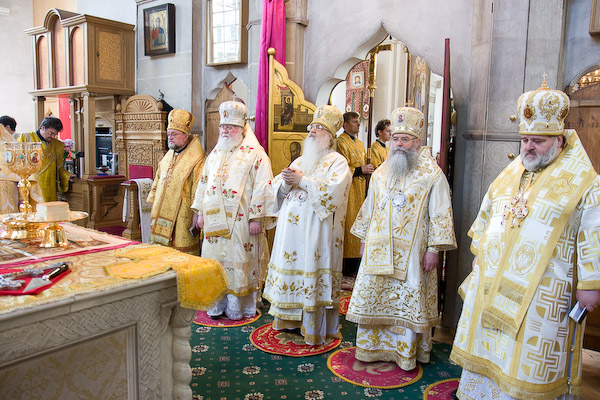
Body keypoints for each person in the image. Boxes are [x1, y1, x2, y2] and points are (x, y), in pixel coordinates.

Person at [450, 82, 600, 399]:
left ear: (559, 140)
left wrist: (590, 283)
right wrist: (479, 252)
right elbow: (489, 210)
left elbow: (594, 230)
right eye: (525, 139)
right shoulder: (513, 171)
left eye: (538, 141)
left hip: (545, 287)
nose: (529, 147)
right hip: (493, 279)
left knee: (526, 354)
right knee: (490, 346)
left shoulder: (585, 181)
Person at [346, 106, 457, 370]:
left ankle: (405, 353)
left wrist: (434, 250)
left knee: (409, 300)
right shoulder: (381, 172)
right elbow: (370, 207)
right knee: (375, 297)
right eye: (395, 138)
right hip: (377, 250)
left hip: (413, 255)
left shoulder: (432, 175)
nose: (398, 144)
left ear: (417, 142)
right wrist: (363, 240)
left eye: (405, 139)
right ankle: (372, 348)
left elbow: (441, 213)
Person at [263, 105, 352, 345]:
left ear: (330, 136)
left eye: (319, 128)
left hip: (316, 232)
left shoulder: (338, 162)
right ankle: (288, 320)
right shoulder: (301, 159)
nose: (312, 131)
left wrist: (301, 181)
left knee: (312, 269)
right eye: (312, 127)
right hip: (290, 233)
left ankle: (312, 326)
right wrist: (285, 183)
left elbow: (332, 193)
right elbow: (277, 188)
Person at [191, 101, 276, 320]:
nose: (225, 131)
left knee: (238, 260)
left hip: (242, 221)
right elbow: (203, 183)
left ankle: (239, 306)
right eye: (223, 126)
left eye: (230, 127)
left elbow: (263, 186)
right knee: (214, 262)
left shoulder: (256, 154)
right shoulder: (215, 154)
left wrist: (257, 217)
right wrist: (200, 212)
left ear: (242, 128)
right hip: (213, 223)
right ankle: (216, 304)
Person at [147, 109, 206, 254]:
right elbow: (158, 179)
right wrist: (153, 201)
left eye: (174, 134)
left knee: (181, 253)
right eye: (168, 134)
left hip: (183, 214)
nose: (170, 138)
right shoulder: (169, 155)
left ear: (185, 136)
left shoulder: (197, 158)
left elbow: (199, 187)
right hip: (162, 210)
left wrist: (197, 212)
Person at [336, 111, 374, 276]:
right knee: (349, 223)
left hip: (360, 189)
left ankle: (358, 262)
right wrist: (360, 170)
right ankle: (347, 265)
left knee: (361, 223)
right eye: (354, 121)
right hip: (348, 190)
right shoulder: (340, 142)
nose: (358, 124)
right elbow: (340, 169)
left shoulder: (359, 143)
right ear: (345, 125)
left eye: (359, 121)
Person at [16, 117, 72, 202]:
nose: (52, 136)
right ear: (42, 128)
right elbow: (17, 161)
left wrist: (67, 176)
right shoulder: (26, 138)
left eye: (55, 134)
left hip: (50, 186)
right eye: (50, 133)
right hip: (32, 184)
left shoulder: (57, 145)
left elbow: (59, 167)